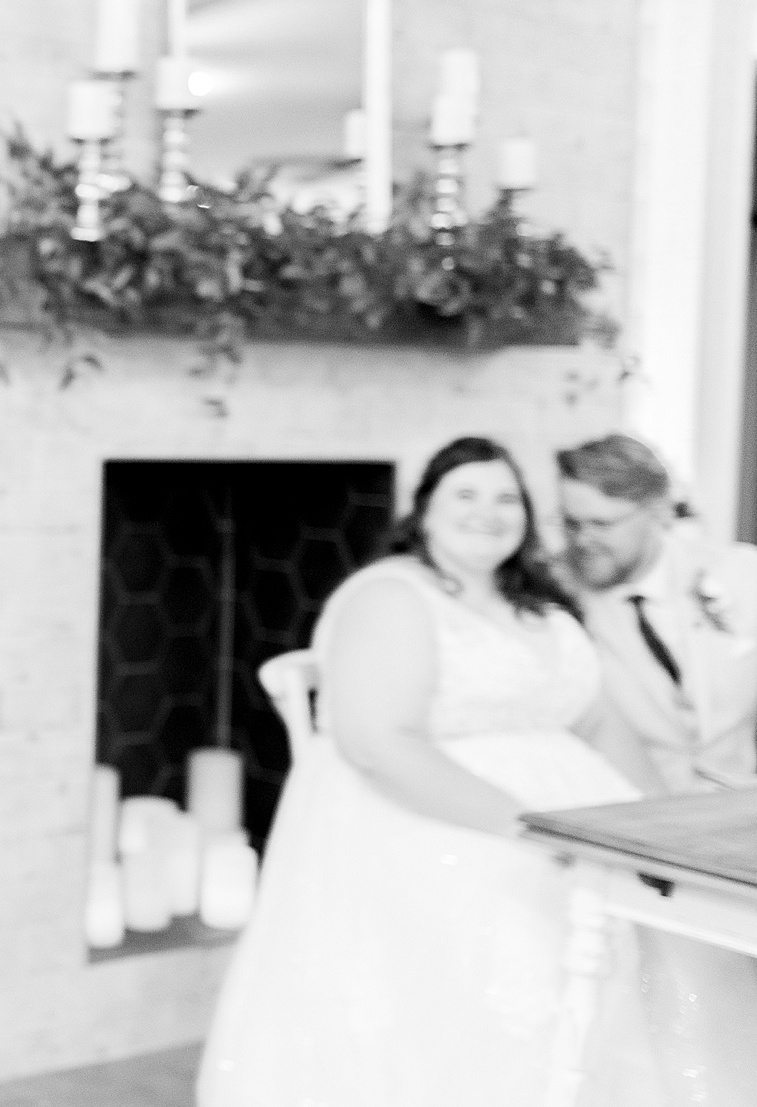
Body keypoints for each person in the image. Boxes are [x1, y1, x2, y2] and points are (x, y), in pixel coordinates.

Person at [197, 436, 663, 1107]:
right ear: (423, 510)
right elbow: (376, 741)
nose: (489, 511)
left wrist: (657, 819)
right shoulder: (389, 597)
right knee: (527, 904)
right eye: (465, 494)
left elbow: (598, 721)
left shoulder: (538, 604)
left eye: (507, 496)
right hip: (437, 820)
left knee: (659, 912)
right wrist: (531, 828)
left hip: (573, 824)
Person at [557, 434, 757, 793]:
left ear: (658, 511)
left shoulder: (742, 574)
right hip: (623, 803)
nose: (582, 541)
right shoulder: (557, 597)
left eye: (601, 524)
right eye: (572, 523)